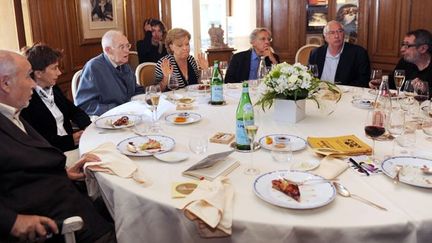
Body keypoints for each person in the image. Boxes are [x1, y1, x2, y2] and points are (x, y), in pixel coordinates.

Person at [0, 50, 116, 242]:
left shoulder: (13, 111)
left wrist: (65, 171)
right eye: (29, 76)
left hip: (63, 190)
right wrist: (12, 221)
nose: (33, 84)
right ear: (5, 84)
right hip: (50, 217)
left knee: (118, 205)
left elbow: (29, 159)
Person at [20, 43, 91, 152]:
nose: (59, 72)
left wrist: (86, 126)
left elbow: (75, 111)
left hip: (72, 145)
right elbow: (38, 140)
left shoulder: (53, 88)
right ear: (38, 73)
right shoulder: (27, 101)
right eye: (54, 68)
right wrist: (70, 140)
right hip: (53, 153)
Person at [75, 30, 145, 116]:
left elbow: (135, 89)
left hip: (129, 116)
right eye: (122, 47)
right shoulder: (94, 68)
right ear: (108, 50)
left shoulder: (124, 64)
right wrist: (117, 109)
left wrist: (145, 97)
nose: (127, 51)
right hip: (108, 120)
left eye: (127, 46)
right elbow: (85, 106)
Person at [308, 20, 371, 87]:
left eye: (340, 31)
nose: (337, 36)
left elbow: (363, 81)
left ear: (344, 34)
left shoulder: (359, 53)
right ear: (325, 37)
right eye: (332, 32)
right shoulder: (315, 53)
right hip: (319, 93)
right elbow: (310, 77)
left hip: (346, 94)